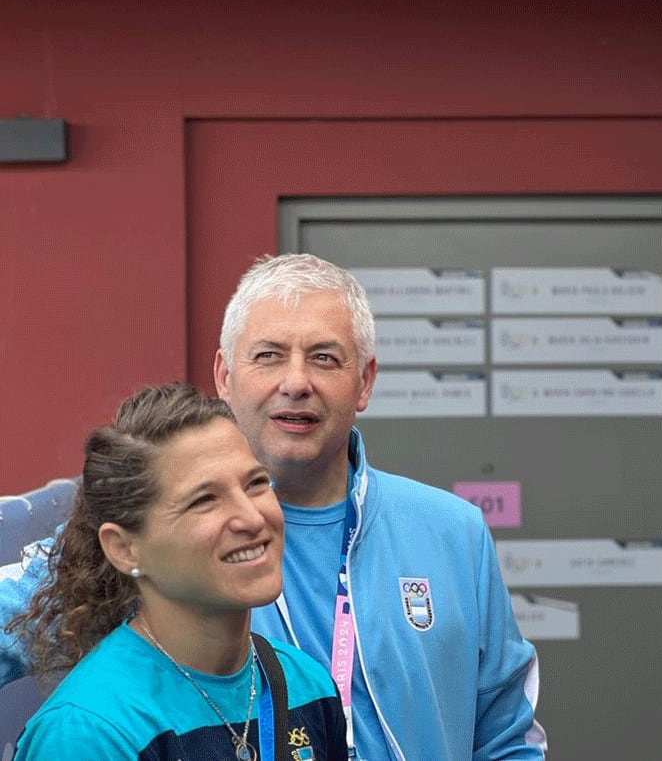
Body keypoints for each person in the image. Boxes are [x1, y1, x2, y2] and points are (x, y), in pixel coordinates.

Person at [2, 254, 545, 761]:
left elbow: (506, 736)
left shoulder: (454, 532)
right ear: (224, 376)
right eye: (268, 355)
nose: (296, 382)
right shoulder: (146, 528)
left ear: (365, 382)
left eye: (325, 358)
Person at [8, 383, 347, 760]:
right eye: (205, 500)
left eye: (255, 484)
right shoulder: (90, 732)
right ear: (124, 548)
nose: (252, 518)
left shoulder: (305, 685)